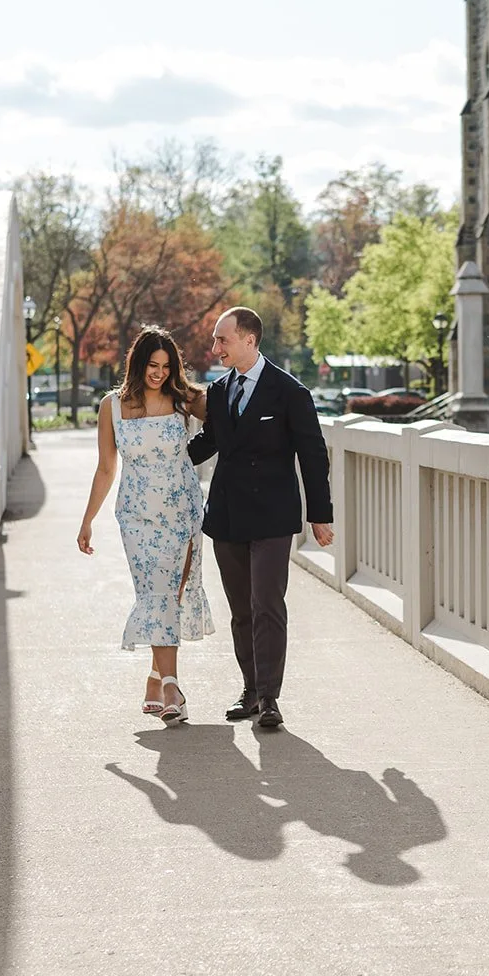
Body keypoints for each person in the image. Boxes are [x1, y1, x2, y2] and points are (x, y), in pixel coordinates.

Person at [188, 307, 333, 730]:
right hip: (227, 516)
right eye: (216, 341)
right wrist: (163, 457)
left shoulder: (290, 392)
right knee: (240, 610)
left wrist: (319, 516)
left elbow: (313, 455)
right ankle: (250, 690)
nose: (215, 349)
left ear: (249, 340)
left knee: (266, 604)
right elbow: (209, 443)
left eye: (223, 341)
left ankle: (270, 697)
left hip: (272, 516)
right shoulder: (219, 391)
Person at [78, 327, 212, 725]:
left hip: (182, 512)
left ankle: (160, 680)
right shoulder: (112, 407)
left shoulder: (181, 398)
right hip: (136, 518)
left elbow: (229, 417)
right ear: (137, 363)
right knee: (154, 594)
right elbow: (106, 468)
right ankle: (168, 683)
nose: (158, 373)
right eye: (152, 365)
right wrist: (88, 520)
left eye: (166, 367)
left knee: (170, 595)